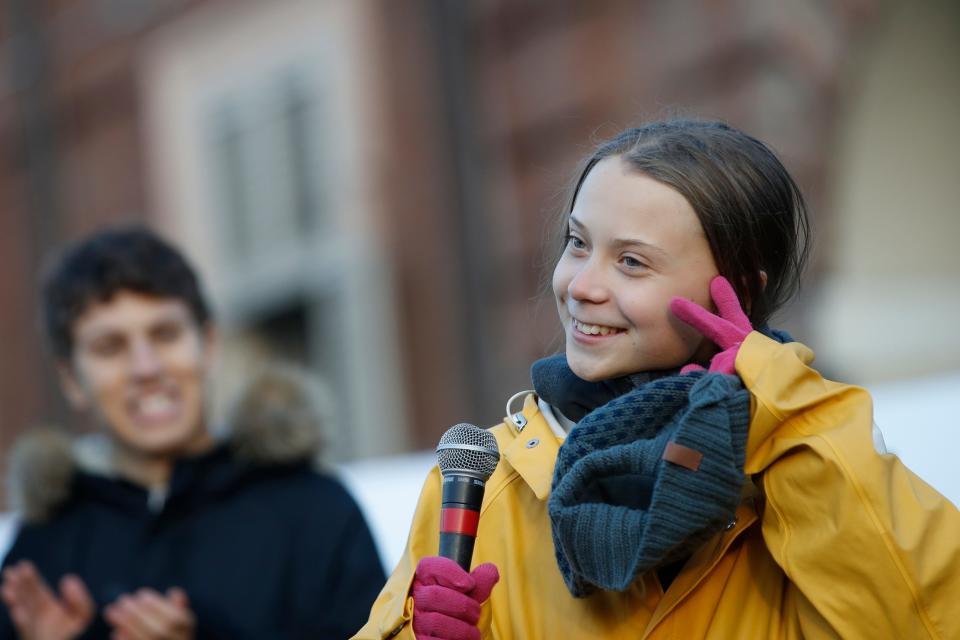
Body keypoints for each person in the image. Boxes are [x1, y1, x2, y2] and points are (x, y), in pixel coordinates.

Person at [355, 119, 960, 639]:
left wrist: (787, 408)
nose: (582, 286)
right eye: (577, 243)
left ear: (737, 292)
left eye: (632, 262)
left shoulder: (808, 457)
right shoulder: (484, 486)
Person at [0, 227, 386, 639]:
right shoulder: (44, 546)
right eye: (110, 347)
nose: (145, 368)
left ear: (209, 344)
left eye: (165, 334)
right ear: (71, 379)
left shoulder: (316, 512)